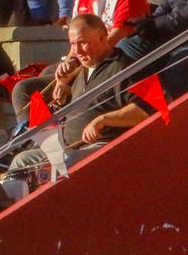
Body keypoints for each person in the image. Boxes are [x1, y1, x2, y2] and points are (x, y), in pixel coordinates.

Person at [9, 15, 153, 170]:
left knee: (67, 163)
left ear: (102, 37)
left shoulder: (128, 67)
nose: (77, 51)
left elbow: (146, 110)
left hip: (103, 148)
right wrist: (63, 84)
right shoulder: (82, 70)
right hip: (68, 148)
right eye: (73, 44)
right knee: (21, 162)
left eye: (83, 43)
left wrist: (104, 120)